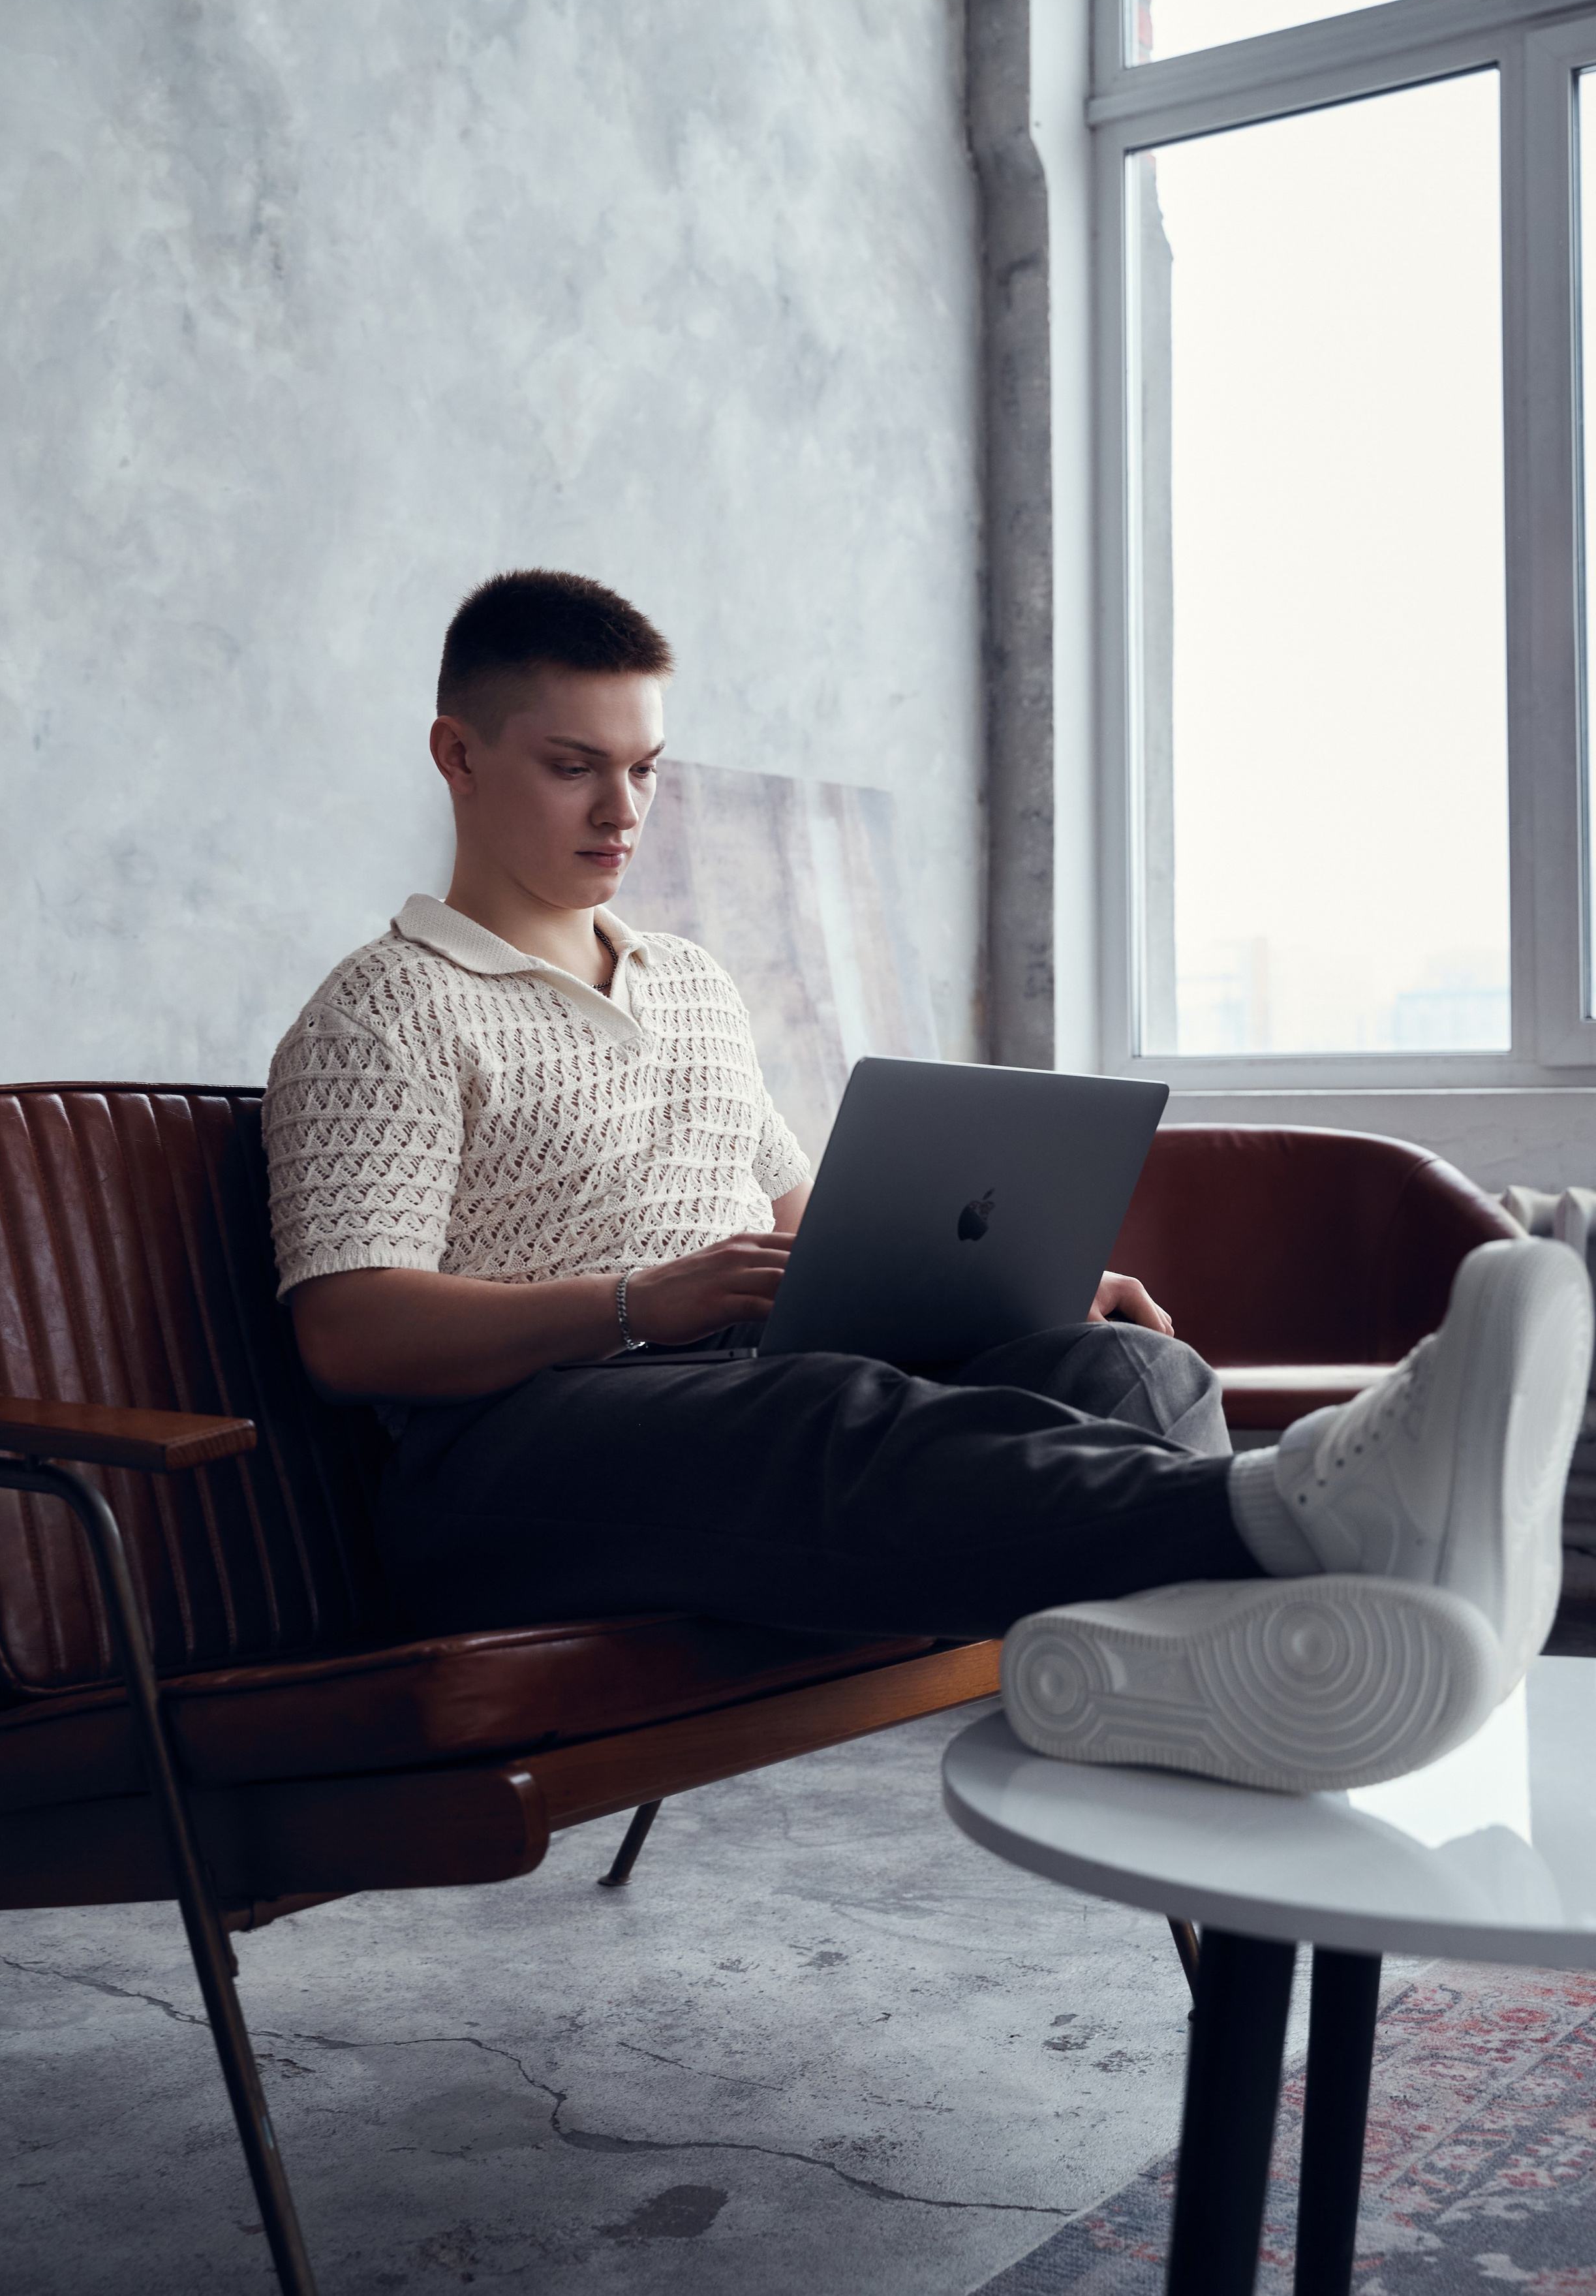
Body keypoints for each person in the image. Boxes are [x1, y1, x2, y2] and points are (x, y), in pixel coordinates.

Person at [264, 569, 1593, 1794]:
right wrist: (634, 1303)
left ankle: (1222, 1671)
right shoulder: (386, 1008)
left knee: (1121, 1370)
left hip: (730, 1406)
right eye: (574, 768)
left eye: (645, 770)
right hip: (503, 1470)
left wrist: (1022, 1288)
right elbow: (347, 1330)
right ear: (457, 755)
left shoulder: (691, 986)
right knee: (820, 1411)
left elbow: (809, 1235)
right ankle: (1298, 1519)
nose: (622, 812)